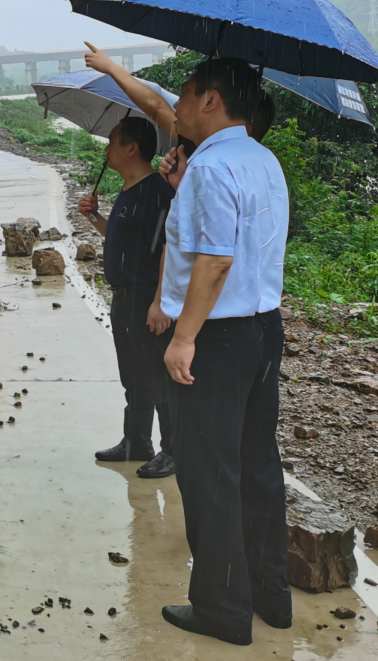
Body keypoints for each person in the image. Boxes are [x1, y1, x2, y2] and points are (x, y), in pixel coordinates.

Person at [156, 57, 291, 646]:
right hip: (264, 329)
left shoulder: (210, 167)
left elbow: (213, 262)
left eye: (184, 96)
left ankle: (221, 609)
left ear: (211, 100)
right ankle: (271, 595)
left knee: (211, 471)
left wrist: (184, 337)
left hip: (221, 333)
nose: (178, 107)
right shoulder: (263, 159)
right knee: (258, 463)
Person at [77, 116, 176, 478]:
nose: (107, 148)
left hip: (146, 293)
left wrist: (161, 301)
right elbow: (123, 239)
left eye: (113, 141)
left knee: (157, 377)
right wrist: (95, 218)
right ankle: (136, 441)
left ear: (131, 149)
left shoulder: (157, 192)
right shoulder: (128, 188)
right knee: (133, 376)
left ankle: (172, 451)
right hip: (123, 294)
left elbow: (171, 247)